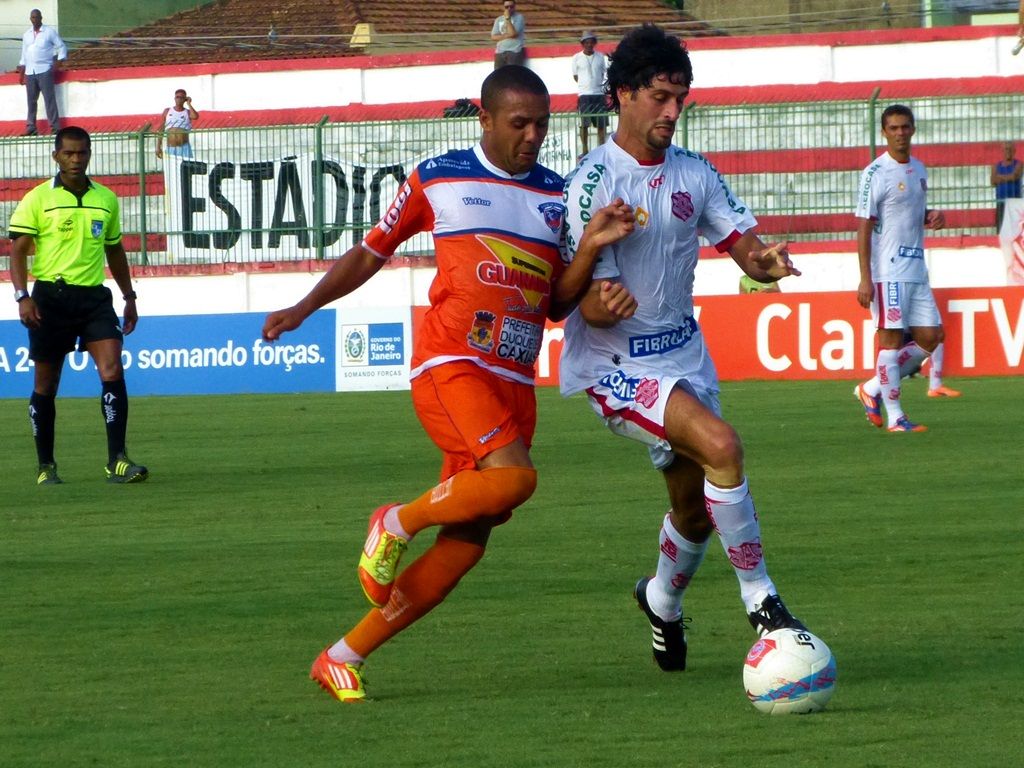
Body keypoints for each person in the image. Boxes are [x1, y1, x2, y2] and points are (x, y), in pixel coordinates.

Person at [261, 65, 632, 702]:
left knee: (468, 543)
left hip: (513, 377)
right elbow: (369, 251)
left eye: (542, 123)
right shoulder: (438, 177)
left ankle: (342, 655)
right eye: (519, 123)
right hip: (451, 364)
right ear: (484, 119)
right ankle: (395, 521)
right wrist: (303, 308)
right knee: (516, 477)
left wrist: (592, 245)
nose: (533, 136)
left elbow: (554, 305)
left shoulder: (559, 195)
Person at [558, 24, 807, 674]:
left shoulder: (695, 173)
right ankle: (763, 601)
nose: (673, 111)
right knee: (723, 446)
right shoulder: (590, 182)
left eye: (681, 98)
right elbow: (579, 296)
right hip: (616, 366)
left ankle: (662, 599)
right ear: (623, 95)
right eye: (662, 97)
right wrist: (596, 300)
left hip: (684, 360)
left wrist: (767, 260)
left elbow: (743, 245)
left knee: (694, 514)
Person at [8, 126, 149, 485]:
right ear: (56, 156)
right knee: (46, 383)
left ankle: (117, 460)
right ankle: (45, 466)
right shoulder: (38, 199)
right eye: (68, 153)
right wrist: (22, 296)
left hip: (94, 298)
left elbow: (114, 249)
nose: (75, 159)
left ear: (89, 154)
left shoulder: (105, 198)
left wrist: (129, 297)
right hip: (50, 299)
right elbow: (19, 251)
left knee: (112, 369)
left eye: (81, 153)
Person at [853, 104, 962, 435]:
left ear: (913, 130)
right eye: (893, 128)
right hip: (888, 271)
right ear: (884, 132)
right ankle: (896, 416)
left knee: (932, 337)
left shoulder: (919, 168)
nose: (900, 132)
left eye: (905, 127)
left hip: (917, 267)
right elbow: (863, 226)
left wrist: (932, 215)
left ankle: (871, 388)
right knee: (890, 341)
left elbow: (913, 209)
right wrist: (865, 278)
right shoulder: (875, 172)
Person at [17, 8, 67, 136]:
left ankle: (55, 128)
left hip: (45, 70)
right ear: (30, 19)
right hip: (30, 72)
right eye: (33, 17)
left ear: (41, 18)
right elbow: (24, 54)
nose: (35, 19)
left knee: (49, 99)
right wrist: (22, 72)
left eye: (37, 17)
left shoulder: (49, 32)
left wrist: (59, 62)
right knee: (31, 101)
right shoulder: (26, 34)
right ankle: (31, 128)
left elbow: (61, 46)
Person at [572, 31, 608, 155]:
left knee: (601, 124)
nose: (589, 44)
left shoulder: (600, 56)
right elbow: (575, 76)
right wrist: (585, 85)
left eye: (591, 42)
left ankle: (602, 149)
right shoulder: (576, 57)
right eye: (586, 42)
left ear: (594, 43)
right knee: (584, 125)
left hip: (599, 94)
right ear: (583, 44)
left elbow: (604, 73)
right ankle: (585, 149)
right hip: (584, 95)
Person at [156, 89, 200, 159]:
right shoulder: (167, 111)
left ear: (185, 99)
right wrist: (158, 147)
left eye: (182, 97)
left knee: (185, 169)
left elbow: (195, 116)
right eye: (177, 97)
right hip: (170, 148)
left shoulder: (187, 112)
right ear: (174, 98)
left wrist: (189, 103)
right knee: (170, 169)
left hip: (184, 147)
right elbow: (161, 129)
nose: (179, 99)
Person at [991, 141, 1022, 233]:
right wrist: (1008, 176)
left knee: (1016, 231)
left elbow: (1014, 177)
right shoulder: (996, 166)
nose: (1008, 151)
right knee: (1001, 230)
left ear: (1014, 151)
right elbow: (993, 181)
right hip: (1001, 202)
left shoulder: (1019, 164)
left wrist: (999, 177)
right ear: (1002, 151)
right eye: (1006, 149)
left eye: (1010, 149)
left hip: (1015, 202)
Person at [490, 0, 525, 68]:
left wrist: (507, 18)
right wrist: (507, 35)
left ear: (514, 7)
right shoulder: (498, 19)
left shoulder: (519, 17)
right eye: (507, 7)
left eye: (511, 7)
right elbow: (493, 37)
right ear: (503, 7)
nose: (509, 9)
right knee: (498, 74)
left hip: (514, 51)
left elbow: (513, 34)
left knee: (513, 74)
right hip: (500, 52)